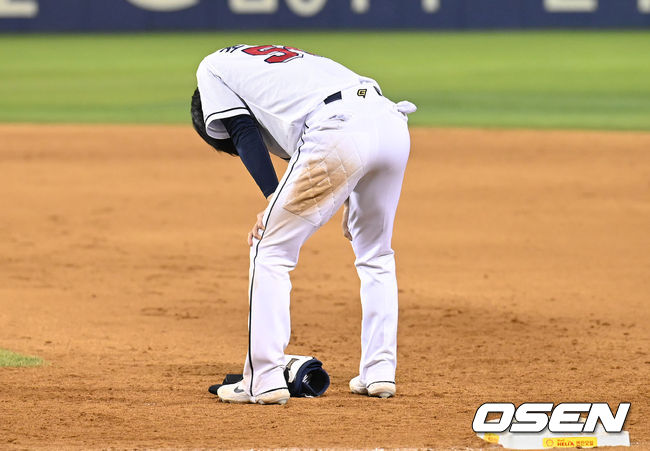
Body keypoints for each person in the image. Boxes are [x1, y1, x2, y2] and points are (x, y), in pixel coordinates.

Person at [191, 44, 415, 405]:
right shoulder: (272, 73)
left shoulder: (211, 69)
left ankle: (262, 378)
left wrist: (270, 200)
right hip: (389, 121)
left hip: (338, 127)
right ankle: (379, 372)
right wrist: (345, 197)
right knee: (376, 254)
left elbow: (244, 131)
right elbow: (340, 139)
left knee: (270, 250)